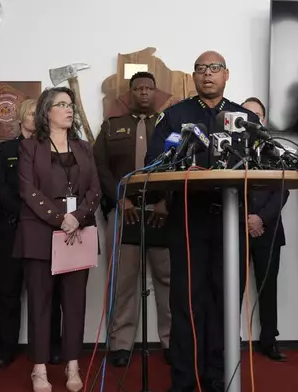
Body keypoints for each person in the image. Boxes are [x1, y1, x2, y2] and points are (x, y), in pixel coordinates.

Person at [145, 50, 260, 392]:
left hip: (230, 221)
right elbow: (155, 163)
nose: (207, 74)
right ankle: (184, 379)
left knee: (224, 301)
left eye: (215, 68)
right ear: (193, 77)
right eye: (201, 69)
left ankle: (218, 376)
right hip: (188, 219)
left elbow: (263, 165)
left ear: (227, 75)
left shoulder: (244, 118)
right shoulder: (175, 116)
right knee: (186, 302)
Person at [12, 86, 100, 392]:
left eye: (71, 104)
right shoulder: (29, 147)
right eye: (62, 104)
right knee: (40, 303)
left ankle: (72, 364)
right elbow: (27, 190)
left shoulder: (84, 147)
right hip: (39, 235)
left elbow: (95, 191)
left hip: (77, 233)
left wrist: (76, 217)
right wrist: (59, 218)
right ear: (46, 111)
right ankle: (39, 369)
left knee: (74, 304)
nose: (69, 109)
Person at [94, 71, 171, 367]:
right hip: (123, 211)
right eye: (138, 88)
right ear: (129, 94)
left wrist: (168, 202)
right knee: (123, 281)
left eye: (148, 88)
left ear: (155, 92)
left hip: (161, 213)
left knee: (168, 281)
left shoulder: (169, 127)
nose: (143, 93)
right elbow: (99, 165)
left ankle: (171, 340)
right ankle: (121, 344)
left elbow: (183, 164)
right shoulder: (113, 127)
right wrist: (118, 198)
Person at [0, 99, 63, 368]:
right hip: (13, 228)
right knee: (9, 290)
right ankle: (6, 348)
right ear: (21, 118)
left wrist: (42, 216)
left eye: (40, 113)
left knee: (48, 292)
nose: (36, 117)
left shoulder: (53, 148)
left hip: (45, 230)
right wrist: (27, 214)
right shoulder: (5, 149)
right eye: (32, 113)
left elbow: (58, 188)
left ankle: (51, 345)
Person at [239, 97, 289, 361]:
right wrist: (245, 219)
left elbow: (284, 190)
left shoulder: (276, 149)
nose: (251, 118)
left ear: (264, 120)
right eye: (246, 114)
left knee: (268, 288)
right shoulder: (229, 149)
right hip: (236, 228)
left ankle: (269, 340)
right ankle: (228, 340)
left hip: (268, 230)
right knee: (232, 287)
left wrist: (260, 219)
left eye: (256, 115)